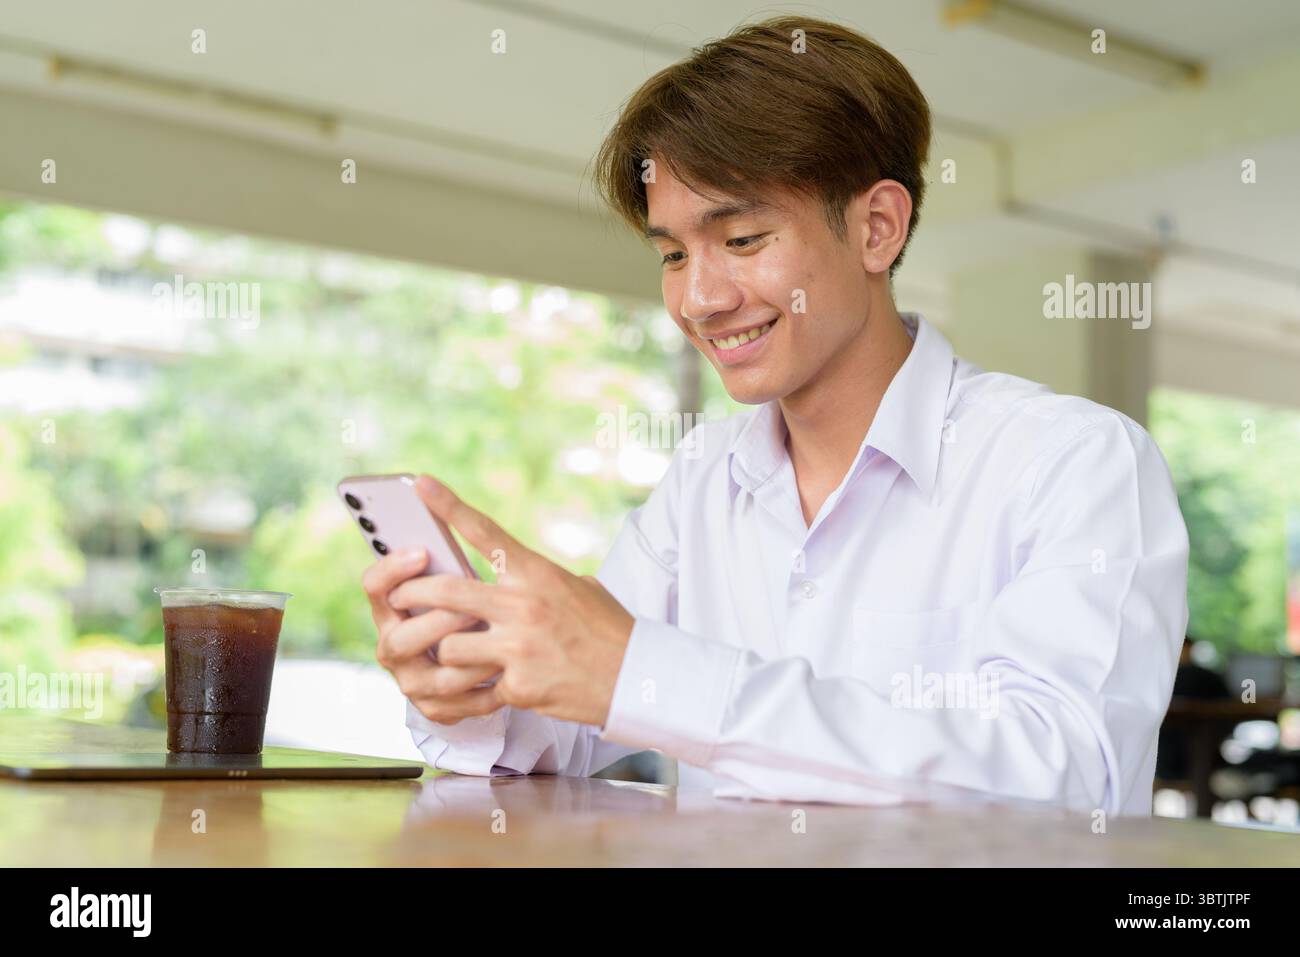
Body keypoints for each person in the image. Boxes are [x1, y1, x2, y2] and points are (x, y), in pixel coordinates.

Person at [361, 16, 1190, 815]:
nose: (699, 298)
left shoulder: (1072, 460)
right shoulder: (702, 479)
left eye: (744, 239)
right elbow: (566, 728)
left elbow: (1064, 776)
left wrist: (649, 673)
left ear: (876, 228)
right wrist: (470, 689)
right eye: (674, 253)